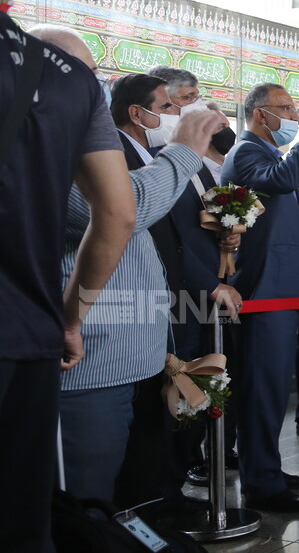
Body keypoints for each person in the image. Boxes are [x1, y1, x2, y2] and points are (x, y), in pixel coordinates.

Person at [0, 0, 135, 553]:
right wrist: (71, 314)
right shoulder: (69, 78)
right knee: (23, 544)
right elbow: (116, 215)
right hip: (27, 339)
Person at [57, 80, 221, 505]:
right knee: (89, 506)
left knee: (138, 497)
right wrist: (184, 148)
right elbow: (124, 210)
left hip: (140, 354)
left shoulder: (91, 146)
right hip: (94, 364)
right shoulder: (47, 150)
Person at [220, 83, 299, 512]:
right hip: (265, 288)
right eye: (284, 109)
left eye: (292, 108)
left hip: (287, 285)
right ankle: (262, 483)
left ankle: (266, 466)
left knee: (272, 386)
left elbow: (281, 207)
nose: (291, 115)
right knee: (261, 388)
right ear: (258, 114)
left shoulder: (269, 154)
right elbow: (284, 178)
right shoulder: (247, 152)